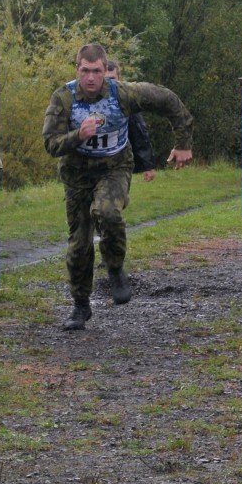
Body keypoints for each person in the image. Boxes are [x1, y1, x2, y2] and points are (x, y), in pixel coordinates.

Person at [43, 43, 194, 330]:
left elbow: (167, 100)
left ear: (105, 71)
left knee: (107, 211)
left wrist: (183, 143)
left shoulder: (123, 94)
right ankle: (80, 305)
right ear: (77, 70)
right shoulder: (63, 98)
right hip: (77, 176)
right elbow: (50, 144)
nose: (90, 78)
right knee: (79, 244)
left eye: (96, 71)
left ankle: (114, 268)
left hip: (114, 168)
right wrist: (78, 136)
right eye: (85, 71)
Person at [104, 60, 157, 183]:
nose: (109, 83)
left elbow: (139, 134)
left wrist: (148, 166)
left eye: (112, 79)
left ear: (119, 79)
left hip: (119, 161)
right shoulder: (88, 100)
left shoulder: (127, 101)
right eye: (105, 79)